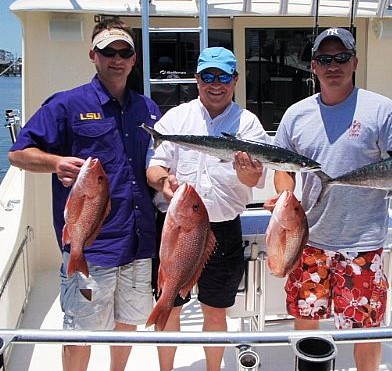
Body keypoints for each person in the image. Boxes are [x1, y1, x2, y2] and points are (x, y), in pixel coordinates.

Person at [265, 28, 392, 371]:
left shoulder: (382, 110)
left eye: (341, 58)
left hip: (364, 242)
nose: (333, 65)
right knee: (307, 320)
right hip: (309, 241)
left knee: (366, 328)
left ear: (355, 62)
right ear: (313, 66)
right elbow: (283, 170)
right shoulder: (296, 114)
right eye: (325, 59)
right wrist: (285, 195)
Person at [8, 19, 160, 371]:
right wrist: (56, 162)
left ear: (134, 59)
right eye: (108, 51)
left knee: (129, 322)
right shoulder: (66, 104)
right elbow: (18, 154)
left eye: (125, 52)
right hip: (92, 247)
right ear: (93, 55)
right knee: (81, 331)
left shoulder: (148, 109)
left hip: (139, 243)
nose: (117, 59)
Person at [146, 46, 269, 371]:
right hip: (177, 228)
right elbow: (154, 167)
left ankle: (214, 369)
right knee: (171, 304)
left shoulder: (248, 124)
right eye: (208, 76)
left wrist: (247, 171)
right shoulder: (176, 117)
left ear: (235, 80)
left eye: (223, 76)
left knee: (215, 310)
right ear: (197, 79)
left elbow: (257, 178)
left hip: (223, 230)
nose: (216, 84)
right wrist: (163, 183)